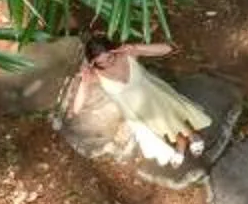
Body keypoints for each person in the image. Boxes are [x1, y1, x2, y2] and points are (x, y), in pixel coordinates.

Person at [68, 41, 214, 167]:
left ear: (114, 50)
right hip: (136, 112)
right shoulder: (96, 76)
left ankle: (192, 136)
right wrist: (84, 82)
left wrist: (137, 47)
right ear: (94, 62)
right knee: (161, 128)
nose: (108, 63)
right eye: (101, 62)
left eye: (110, 57)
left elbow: (169, 48)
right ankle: (181, 144)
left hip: (157, 96)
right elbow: (77, 108)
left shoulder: (128, 54)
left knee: (173, 117)